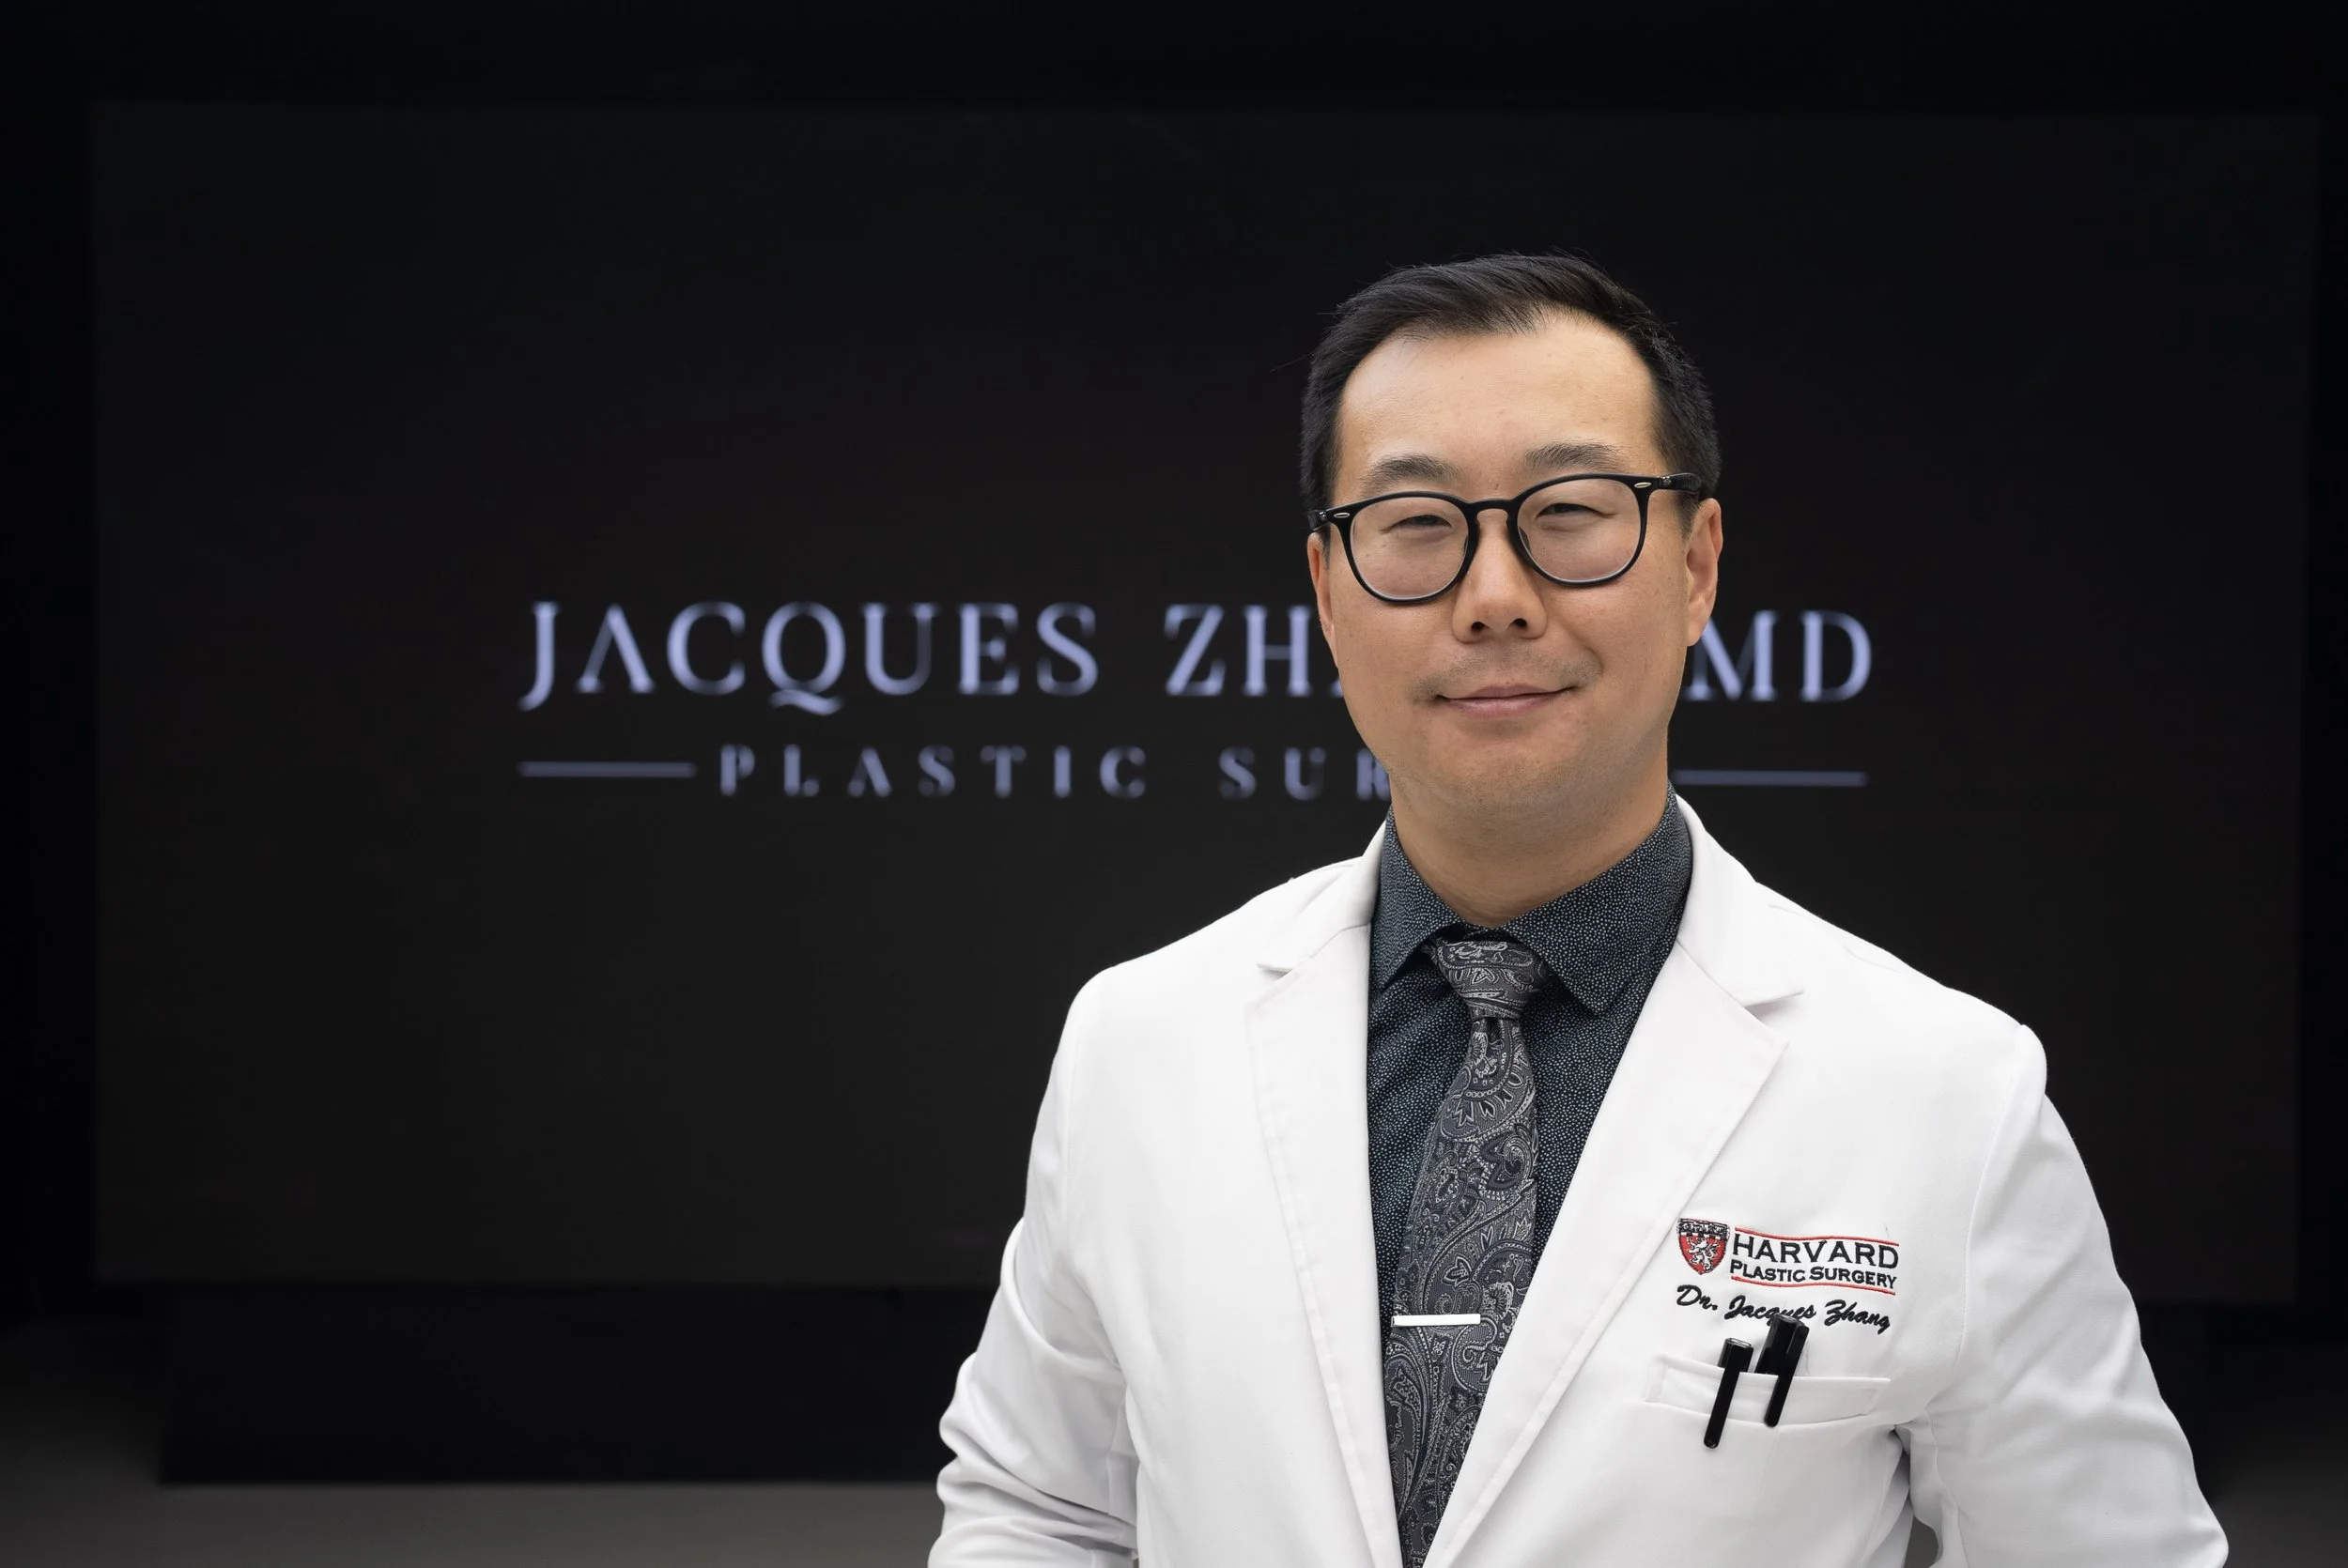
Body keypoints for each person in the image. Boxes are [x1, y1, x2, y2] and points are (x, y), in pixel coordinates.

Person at [930, 254, 2223, 1567]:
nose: (1495, 596)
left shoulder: (1947, 1094)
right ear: (1326, 589)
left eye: (1570, 512)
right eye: (1416, 523)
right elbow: (1042, 1511)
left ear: (1697, 566)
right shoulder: (1142, 1042)